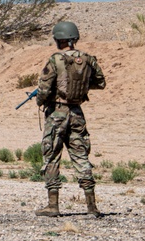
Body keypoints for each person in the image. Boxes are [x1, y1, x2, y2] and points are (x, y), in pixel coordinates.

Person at [34, 21, 106, 218]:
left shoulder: (55, 59)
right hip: (77, 113)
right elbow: (100, 83)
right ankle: (92, 207)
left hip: (57, 113)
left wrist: (41, 101)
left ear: (59, 39)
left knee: (51, 157)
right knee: (81, 157)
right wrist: (80, 87)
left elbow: (45, 89)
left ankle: (53, 206)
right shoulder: (88, 59)